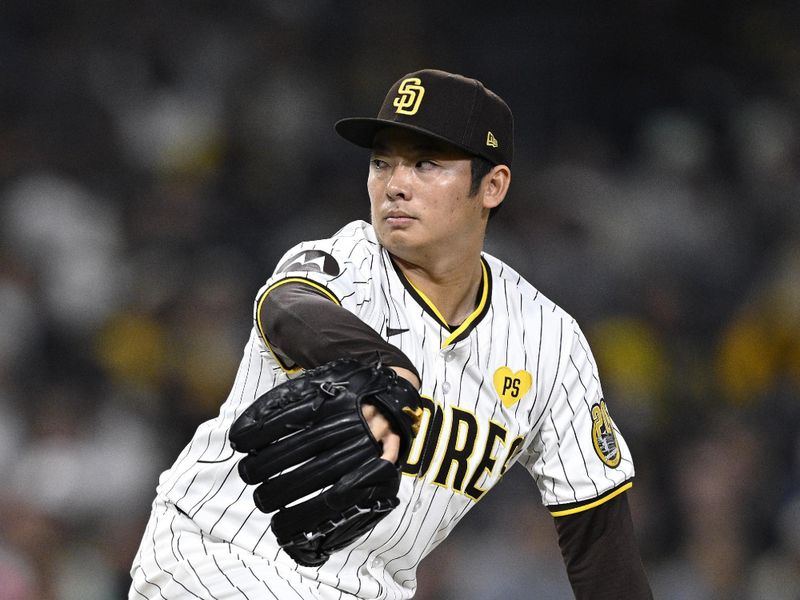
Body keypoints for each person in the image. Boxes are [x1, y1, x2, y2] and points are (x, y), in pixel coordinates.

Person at [129, 69, 652, 599]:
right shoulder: (349, 259)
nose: (395, 183)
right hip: (216, 557)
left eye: (426, 162)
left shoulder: (550, 342)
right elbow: (288, 307)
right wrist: (386, 368)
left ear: (492, 185)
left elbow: (599, 541)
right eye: (382, 161)